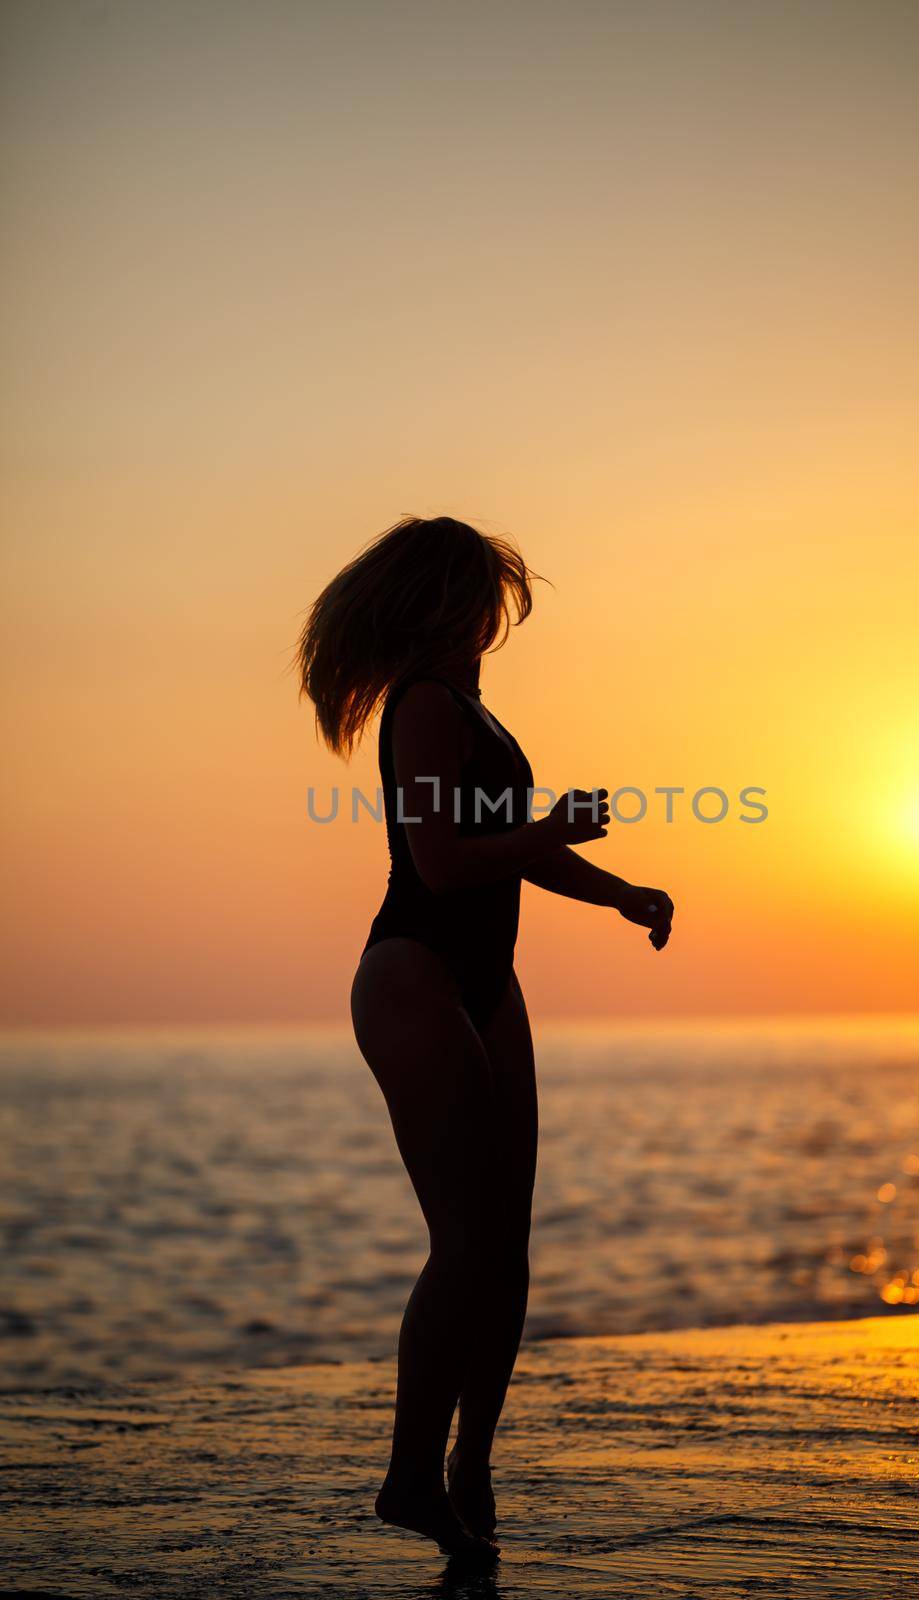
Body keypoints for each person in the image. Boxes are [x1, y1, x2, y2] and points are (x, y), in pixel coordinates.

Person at [297, 515, 674, 1560]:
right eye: (482, 593)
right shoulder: (422, 706)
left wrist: (617, 892)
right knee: (462, 1239)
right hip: (414, 972)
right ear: (443, 602)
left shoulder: (472, 708)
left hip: (486, 983)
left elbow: (511, 854)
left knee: (504, 1248)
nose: (497, 613)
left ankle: (472, 1463)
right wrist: (553, 828)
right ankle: (409, 1476)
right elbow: (443, 862)